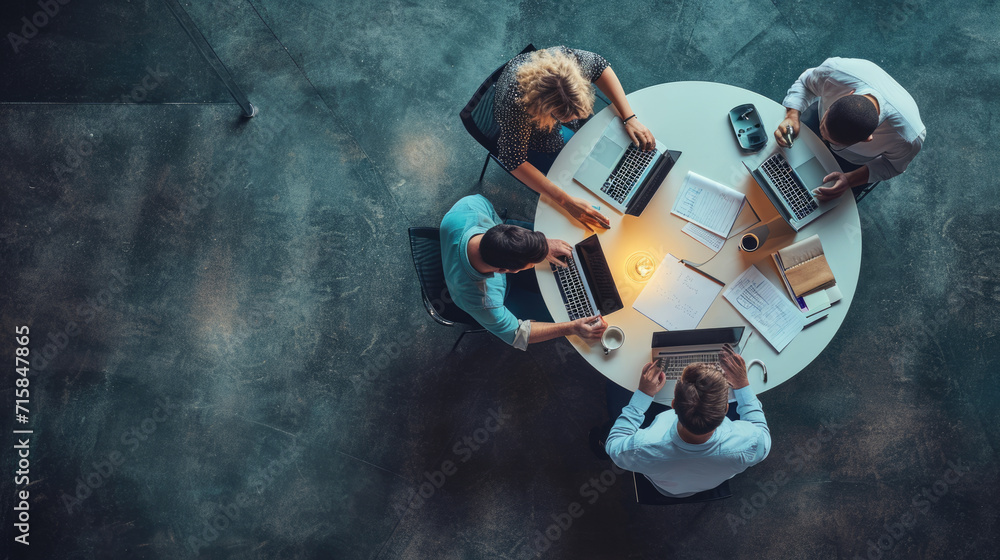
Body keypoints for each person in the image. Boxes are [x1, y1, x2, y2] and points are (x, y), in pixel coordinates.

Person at [493, 46, 656, 230]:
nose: (575, 121)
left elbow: (600, 66)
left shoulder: (571, 61)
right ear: (543, 112)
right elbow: (512, 159)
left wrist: (630, 118)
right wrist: (566, 201)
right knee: (566, 174)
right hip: (536, 135)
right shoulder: (516, 106)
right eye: (564, 118)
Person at [439, 195, 607, 350]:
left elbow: (500, 225)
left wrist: (542, 245)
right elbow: (519, 335)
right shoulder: (485, 302)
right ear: (506, 271)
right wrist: (572, 327)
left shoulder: (470, 205)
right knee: (563, 312)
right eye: (533, 263)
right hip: (505, 295)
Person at [604, 346, 770, 497]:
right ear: (726, 409)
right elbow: (762, 431)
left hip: (665, 489)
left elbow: (613, 445)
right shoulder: (750, 443)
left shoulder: (642, 446)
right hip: (709, 484)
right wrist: (742, 385)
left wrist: (643, 395)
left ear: (673, 404)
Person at [773, 57, 926, 201]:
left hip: (851, 163)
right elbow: (805, 82)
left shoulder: (908, 138)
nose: (823, 138)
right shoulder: (835, 72)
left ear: (868, 138)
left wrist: (849, 179)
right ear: (843, 96)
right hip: (814, 118)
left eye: (834, 141)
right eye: (823, 130)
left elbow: (891, 166)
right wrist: (792, 116)